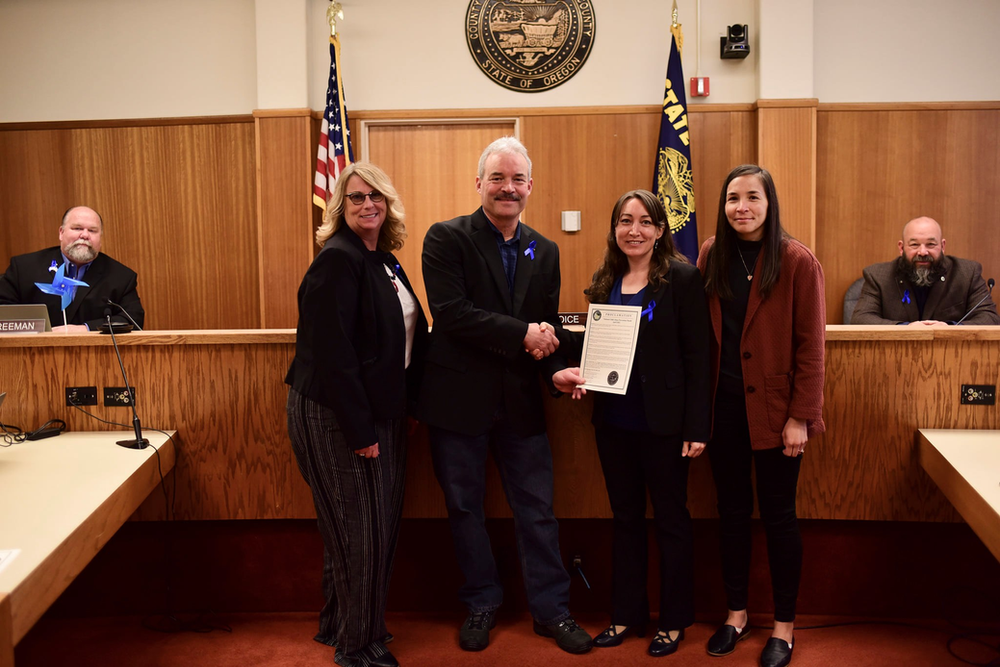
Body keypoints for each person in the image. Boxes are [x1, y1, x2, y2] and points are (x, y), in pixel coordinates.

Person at [418, 136, 592, 655]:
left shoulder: (547, 248)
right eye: (497, 178)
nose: (508, 188)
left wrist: (556, 374)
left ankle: (552, 611)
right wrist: (523, 335)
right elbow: (452, 313)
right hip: (456, 404)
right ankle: (481, 603)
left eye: (517, 179)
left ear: (530, 187)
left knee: (538, 511)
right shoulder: (445, 238)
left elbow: (545, 328)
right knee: (465, 509)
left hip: (521, 404)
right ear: (479, 184)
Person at [551, 190, 712, 658]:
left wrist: (696, 426)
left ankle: (676, 620)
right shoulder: (606, 281)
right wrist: (585, 379)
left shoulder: (682, 280)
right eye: (625, 221)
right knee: (625, 520)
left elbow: (699, 357)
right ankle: (627, 614)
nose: (634, 230)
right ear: (614, 229)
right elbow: (598, 350)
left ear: (660, 230)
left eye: (644, 222)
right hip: (615, 422)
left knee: (672, 520)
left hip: (666, 424)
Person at [285, 162, 427, 667]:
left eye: (376, 197)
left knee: (372, 525)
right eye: (356, 198)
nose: (368, 205)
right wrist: (360, 430)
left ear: (388, 204)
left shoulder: (382, 259)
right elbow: (334, 355)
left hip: (381, 411)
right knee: (358, 528)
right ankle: (358, 647)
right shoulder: (337, 261)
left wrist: (402, 409)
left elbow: (405, 341)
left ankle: (337, 625)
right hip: (336, 414)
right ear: (340, 209)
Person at [696, 165, 826, 667]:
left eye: (753, 197)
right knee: (730, 515)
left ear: (770, 205)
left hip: (777, 413)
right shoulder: (711, 253)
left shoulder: (796, 260)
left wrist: (801, 417)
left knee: (779, 518)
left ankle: (785, 627)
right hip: (722, 410)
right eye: (733, 198)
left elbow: (811, 349)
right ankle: (736, 614)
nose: (741, 207)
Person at [0, 206, 144, 332]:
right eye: (77, 228)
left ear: (100, 238)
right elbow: (3, 313)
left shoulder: (121, 277)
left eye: (92, 231)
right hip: (31, 356)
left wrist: (86, 329)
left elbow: (134, 320)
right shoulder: (24, 268)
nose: (85, 235)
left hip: (96, 357)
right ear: (61, 233)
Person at [851, 216, 999, 325]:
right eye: (914, 245)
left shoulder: (967, 273)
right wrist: (905, 328)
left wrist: (950, 328)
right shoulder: (878, 276)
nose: (922, 252)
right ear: (901, 248)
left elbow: (989, 318)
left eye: (930, 244)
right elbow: (861, 319)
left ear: (942, 246)